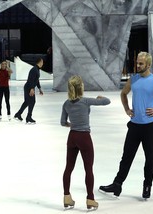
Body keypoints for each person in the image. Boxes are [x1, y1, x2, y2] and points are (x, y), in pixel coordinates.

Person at [99, 51, 153, 199]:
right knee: (126, 157)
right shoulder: (133, 80)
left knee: (149, 157)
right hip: (134, 125)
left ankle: (147, 186)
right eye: (137, 63)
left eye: (141, 63)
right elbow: (123, 93)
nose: (138, 65)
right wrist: (127, 109)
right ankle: (117, 185)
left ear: (148, 64)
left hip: (149, 126)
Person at [61, 75, 111, 210]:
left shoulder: (66, 104)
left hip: (72, 137)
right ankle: (90, 199)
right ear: (81, 87)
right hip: (84, 137)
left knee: (68, 168)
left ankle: (67, 196)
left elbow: (62, 122)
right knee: (88, 169)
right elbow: (107, 101)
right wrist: (99, 98)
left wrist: (72, 124)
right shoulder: (86, 101)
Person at [13, 57, 44, 124]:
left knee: (27, 102)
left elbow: (36, 80)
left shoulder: (37, 69)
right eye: (42, 62)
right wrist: (32, 89)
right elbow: (30, 80)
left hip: (29, 87)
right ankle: (28, 117)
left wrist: (39, 88)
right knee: (32, 102)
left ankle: (18, 114)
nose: (43, 63)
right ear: (40, 62)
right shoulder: (34, 70)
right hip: (28, 87)